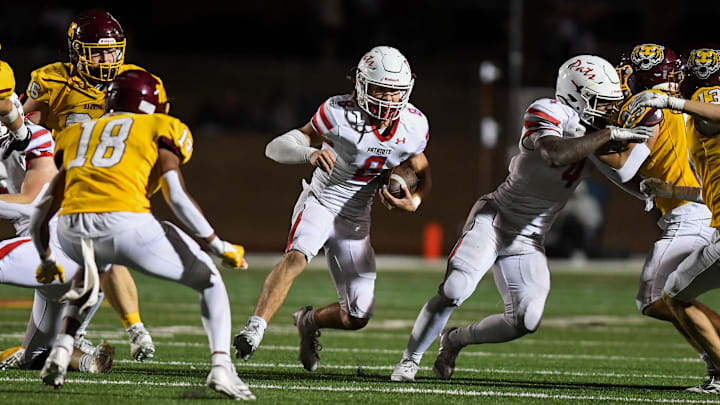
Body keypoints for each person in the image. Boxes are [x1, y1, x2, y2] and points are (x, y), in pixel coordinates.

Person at [389, 55, 654, 382]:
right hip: (496, 219)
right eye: (600, 102)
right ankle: (409, 360)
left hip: (530, 239)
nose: (606, 110)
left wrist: (655, 182)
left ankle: (456, 339)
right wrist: (610, 134)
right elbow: (554, 154)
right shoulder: (547, 110)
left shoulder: (595, 133)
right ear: (574, 94)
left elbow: (630, 177)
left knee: (526, 318)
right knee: (455, 288)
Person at [30, 70, 254, 399]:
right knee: (210, 280)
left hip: (68, 226)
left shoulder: (75, 132)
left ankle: (62, 350)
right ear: (151, 105)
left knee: (90, 276)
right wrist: (217, 244)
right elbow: (175, 195)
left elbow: (45, 205)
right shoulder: (161, 126)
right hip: (124, 220)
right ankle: (222, 368)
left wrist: (47, 255)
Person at [233, 46, 432, 372]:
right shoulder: (338, 113)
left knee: (357, 316)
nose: (389, 100)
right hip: (322, 200)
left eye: (396, 93)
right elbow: (275, 147)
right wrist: (308, 154)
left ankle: (308, 322)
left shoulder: (414, 126)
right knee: (297, 256)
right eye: (381, 89)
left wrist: (416, 198)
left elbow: (422, 170)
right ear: (361, 85)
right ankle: (255, 329)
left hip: (356, 218)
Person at [21, 9, 160, 361]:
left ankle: (59, 345)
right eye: (96, 51)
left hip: (109, 186)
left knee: (97, 262)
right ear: (76, 51)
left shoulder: (135, 83)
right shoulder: (53, 81)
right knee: (97, 259)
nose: (106, 58)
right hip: (62, 189)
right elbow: (25, 134)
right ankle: (115, 333)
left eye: (112, 50)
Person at [590, 44, 720, 387]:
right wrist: (665, 189)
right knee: (674, 294)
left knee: (658, 297)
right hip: (700, 210)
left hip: (692, 219)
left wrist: (584, 142)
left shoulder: (657, 106)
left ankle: (716, 360)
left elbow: (623, 168)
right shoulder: (690, 111)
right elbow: (700, 186)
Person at [0, 93, 113, 373]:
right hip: (53, 259)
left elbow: (31, 203)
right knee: (35, 355)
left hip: (62, 249)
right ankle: (87, 362)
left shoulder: (37, 138)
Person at [634, 47, 720, 393]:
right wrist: (667, 187)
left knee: (673, 293)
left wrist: (673, 103)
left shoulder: (702, 104)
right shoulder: (699, 127)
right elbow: (706, 189)